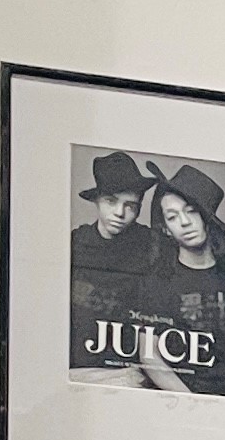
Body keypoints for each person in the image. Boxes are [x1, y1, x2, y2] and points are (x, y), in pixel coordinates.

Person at [131, 164, 225, 398]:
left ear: (205, 216)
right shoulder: (156, 282)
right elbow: (149, 356)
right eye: (172, 217)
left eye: (191, 211)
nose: (185, 222)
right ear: (167, 229)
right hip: (181, 398)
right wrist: (190, 402)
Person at [67, 151, 158, 381]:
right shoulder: (73, 244)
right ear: (97, 200)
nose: (120, 213)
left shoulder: (153, 245)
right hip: (77, 372)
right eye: (111, 201)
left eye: (130, 206)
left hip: (131, 373)